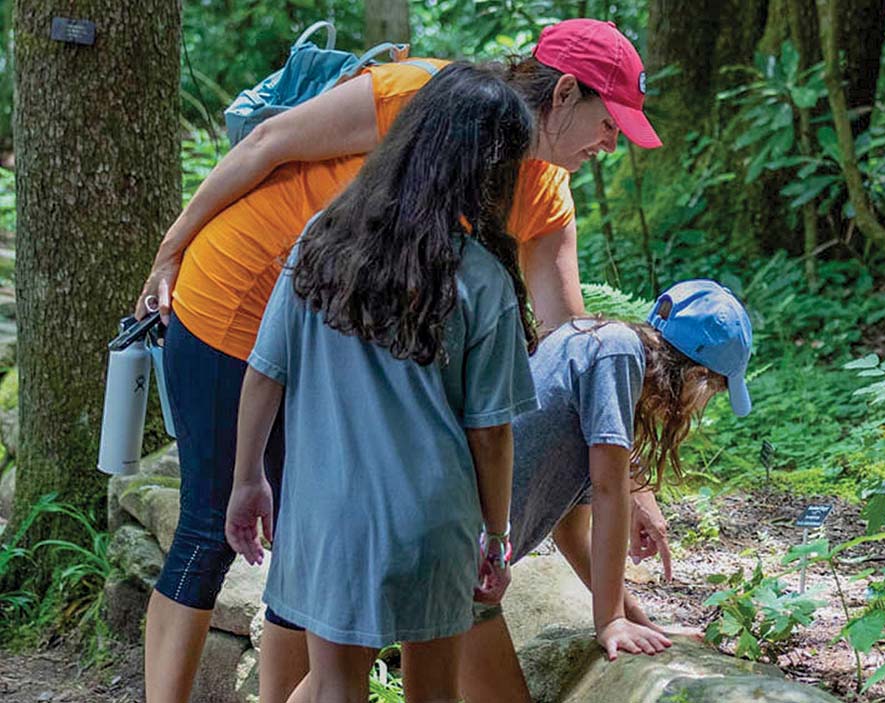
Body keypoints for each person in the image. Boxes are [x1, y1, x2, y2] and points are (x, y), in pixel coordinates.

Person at [135, 19, 668, 703]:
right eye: (608, 121)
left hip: (334, 333)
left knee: (309, 536)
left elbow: (574, 345)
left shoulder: (536, 198)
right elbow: (270, 141)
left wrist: (631, 486)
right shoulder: (425, 98)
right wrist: (170, 249)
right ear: (565, 93)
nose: (610, 141)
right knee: (213, 527)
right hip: (238, 295)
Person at [224, 62, 536, 703]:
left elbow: (264, 372)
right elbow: (491, 436)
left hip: (326, 513)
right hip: (431, 521)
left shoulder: (320, 242)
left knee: (334, 687)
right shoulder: (481, 280)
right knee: (434, 692)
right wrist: (497, 536)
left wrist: (247, 478)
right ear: (489, 168)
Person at [456, 279, 755, 703]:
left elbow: (573, 536)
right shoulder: (617, 354)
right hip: (458, 561)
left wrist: (640, 622)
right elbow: (610, 489)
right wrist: (610, 621)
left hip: (459, 557)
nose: (699, 408)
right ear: (698, 376)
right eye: (714, 393)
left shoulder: (594, 345)